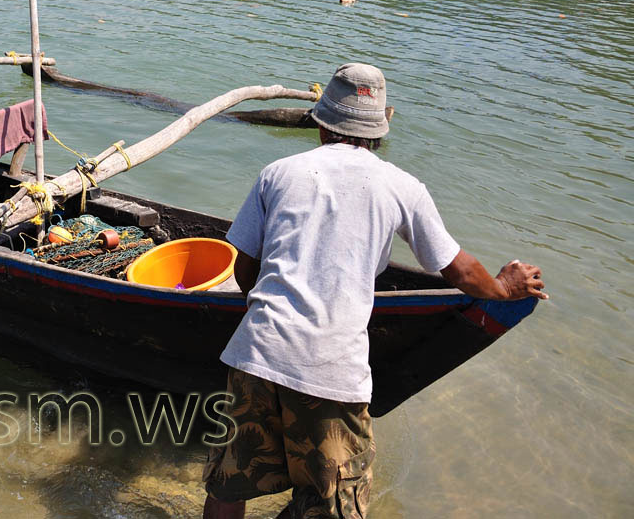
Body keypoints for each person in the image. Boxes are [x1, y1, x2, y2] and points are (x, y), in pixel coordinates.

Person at [202, 63, 547, 519]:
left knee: (230, 486)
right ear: (380, 128)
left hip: (255, 351)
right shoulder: (402, 186)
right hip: (329, 370)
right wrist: (504, 287)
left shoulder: (278, 173)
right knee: (335, 505)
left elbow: (244, 269)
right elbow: (461, 273)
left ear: (322, 123)